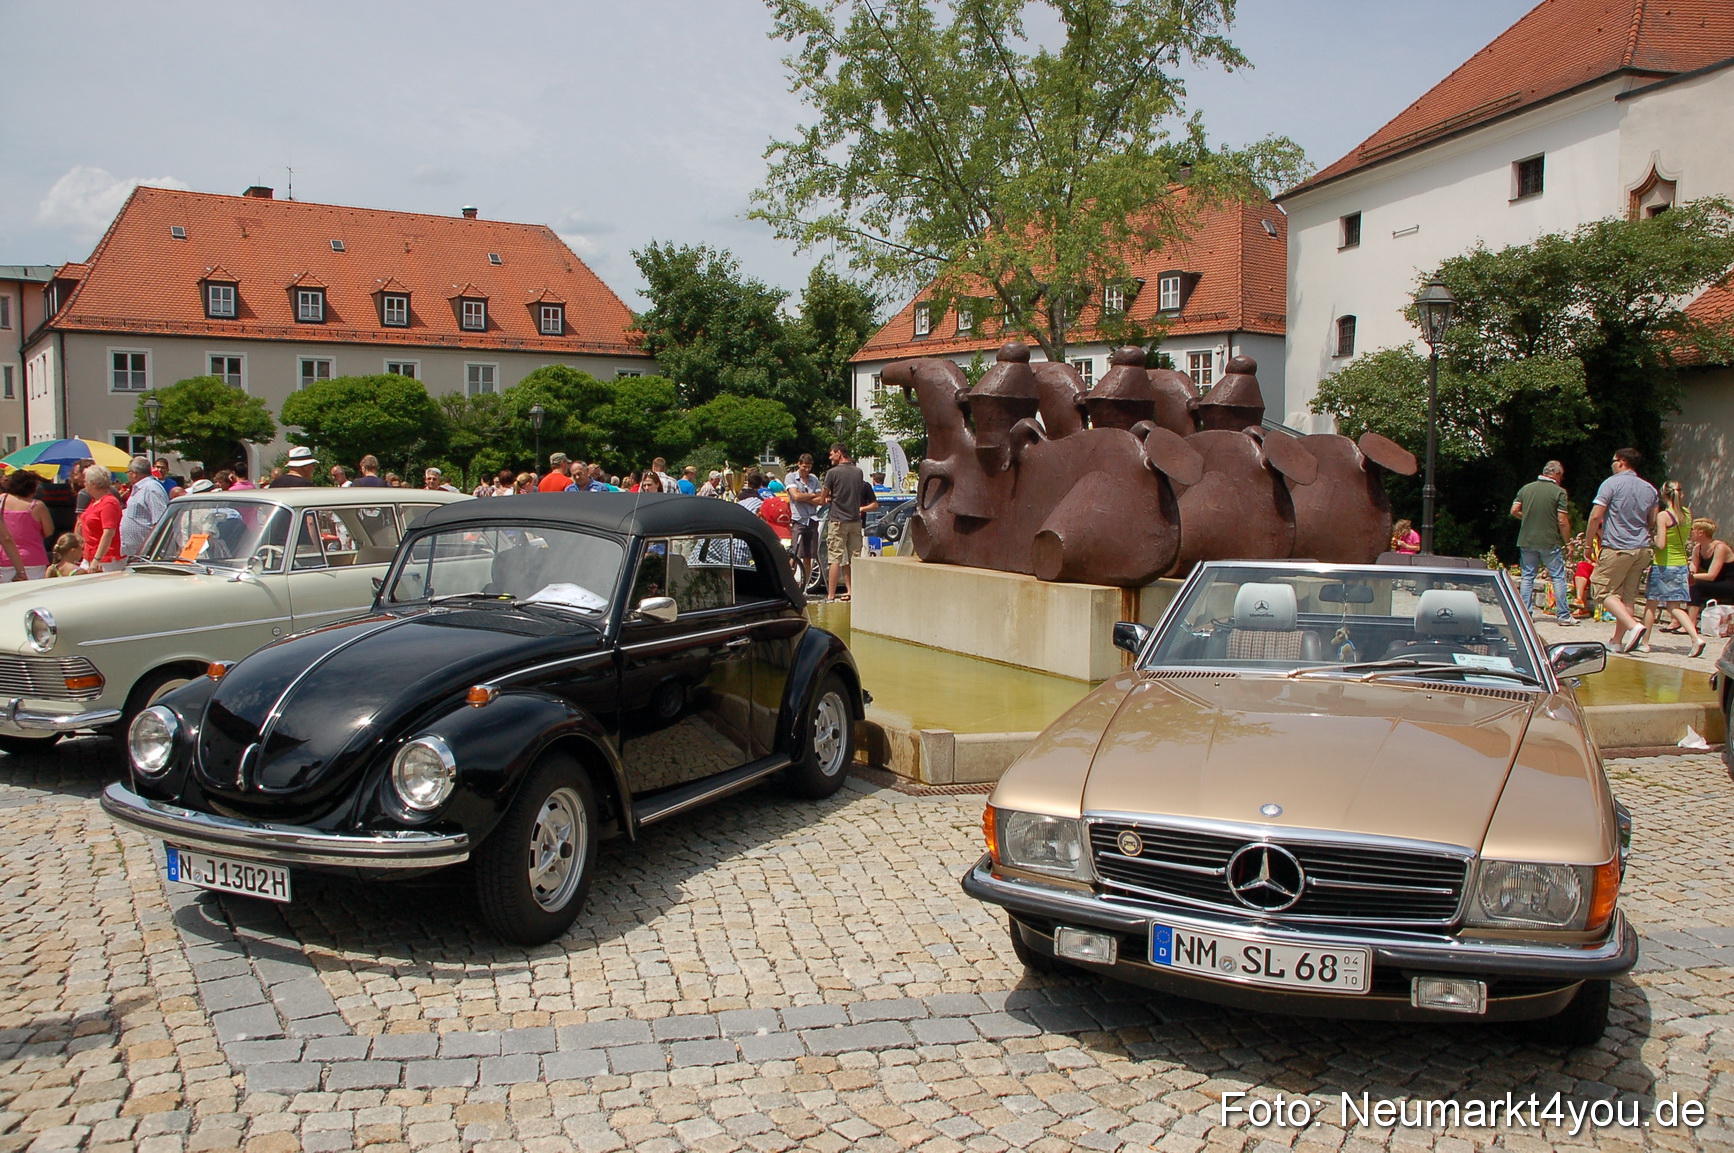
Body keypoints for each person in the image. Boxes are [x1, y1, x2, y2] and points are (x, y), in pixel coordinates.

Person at [1586, 447, 1658, 652]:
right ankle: (1617, 642)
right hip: (1641, 548)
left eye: (1613, 460)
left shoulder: (1611, 484)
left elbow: (1595, 516)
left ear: (1622, 462)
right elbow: (1652, 521)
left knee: (1601, 590)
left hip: (1617, 547)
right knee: (1627, 596)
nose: (1612, 464)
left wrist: (1588, 544)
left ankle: (1633, 626)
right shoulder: (1650, 489)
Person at [1639, 481, 1705, 657]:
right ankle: (1695, 637)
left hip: (1663, 565)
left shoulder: (1664, 516)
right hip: (1680, 564)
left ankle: (1644, 642)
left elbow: (1661, 544)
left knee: (1651, 604)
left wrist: (1650, 541)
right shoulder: (1686, 513)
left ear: (1663, 494)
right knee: (1674, 606)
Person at [1510, 461, 1575, 627]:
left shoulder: (1526, 488)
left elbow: (1514, 510)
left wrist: (1529, 518)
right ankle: (1563, 615)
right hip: (1549, 540)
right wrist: (1568, 542)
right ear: (1557, 475)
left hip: (1527, 539)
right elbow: (1562, 520)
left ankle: (1525, 614)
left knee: (1527, 577)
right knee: (1558, 577)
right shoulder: (1559, 492)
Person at [822, 442, 875, 602]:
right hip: (855, 520)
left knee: (834, 558)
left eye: (832, 453)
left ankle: (831, 595)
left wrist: (826, 498)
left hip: (838, 519)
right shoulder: (858, 472)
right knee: (855, 558)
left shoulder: (832, 473)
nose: (830, 457)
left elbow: (823, 497)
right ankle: (853, 591)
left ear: (839, 453)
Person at [0, 471, 54, 581]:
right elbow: (49, 531)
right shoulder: (37, 506)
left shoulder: (2, 500)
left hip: (4, 557)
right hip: (32, 558)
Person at [120, 456, 170, 562]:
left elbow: (161, 522)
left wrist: (153, 550)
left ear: (134, 473)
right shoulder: (139, 488)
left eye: (128, 472)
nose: (128, 476)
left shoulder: (152, 488)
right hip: (134, 554)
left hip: (147, 554)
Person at [786, 454, 824, 587]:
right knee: (795, 554)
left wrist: (805, 497)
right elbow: (795, 496)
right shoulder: (791, 477)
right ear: (799, 464)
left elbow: (821, 499)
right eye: (804, 467)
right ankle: (789, 584)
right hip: (799, 519)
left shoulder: (813, 479)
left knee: (809, 556)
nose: (806, 470)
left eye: (809, 467)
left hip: (812, 519)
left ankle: (805, 585)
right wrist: (812, 495)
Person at [80, 469, 123, 573]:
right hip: (89, 554)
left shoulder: (109, 503)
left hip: (105, 559)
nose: (83, 484)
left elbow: (108, 533)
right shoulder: (95, 501)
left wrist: (97, 559)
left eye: (85, 481)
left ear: (93, 484)